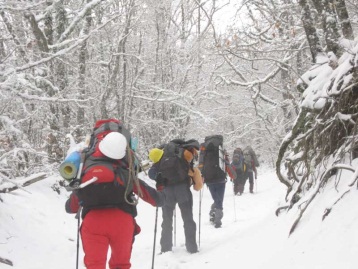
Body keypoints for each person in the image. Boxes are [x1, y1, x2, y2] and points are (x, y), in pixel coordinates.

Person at [65, 124, 165, 269]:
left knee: (94, 265)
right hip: (122, 223)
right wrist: (162, 188)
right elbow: (156, 200)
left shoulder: (87, 170)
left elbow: (71, 208)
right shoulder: (126, 173)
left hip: (93, 224)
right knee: (120, 265)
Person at [148, 139, 202, 254]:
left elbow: (151, 174)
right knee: (188, 219)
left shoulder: (162, 154)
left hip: (167, 191)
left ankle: (166, 248)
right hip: (183, 189)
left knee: (166, 220)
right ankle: (192, 248)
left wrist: (161, 178)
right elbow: (192, 171)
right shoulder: (184, 153)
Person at [198, 135, 235, 228]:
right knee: (219, 201)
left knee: (216, 200)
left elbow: (201, 164)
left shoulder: (204, 151)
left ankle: (212, 215)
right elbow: (226, 163)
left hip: (209, 180)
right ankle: (217, 221)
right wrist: (233, 175)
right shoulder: (221, 150)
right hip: (221, 180)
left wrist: (201, 176)